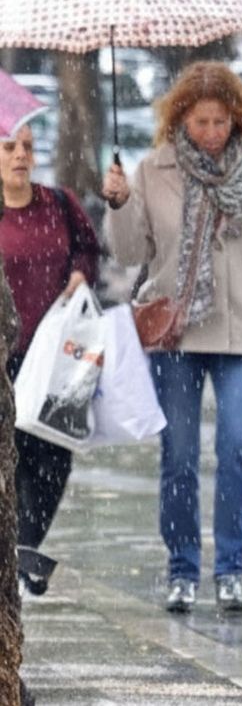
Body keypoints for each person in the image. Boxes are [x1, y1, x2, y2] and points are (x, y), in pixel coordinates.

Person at [102, 61, 242, 615]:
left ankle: (229, 570)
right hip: (174, 332)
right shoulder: (155, 171)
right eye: (200, 121)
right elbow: (130, 253)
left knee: (237, 447)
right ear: (181, 117)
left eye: (221, 121)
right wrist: (120, 202)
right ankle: (181, 569)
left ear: (238, 119)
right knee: (178, 455)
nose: (210, 132)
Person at [1, 120, 101, 595]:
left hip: (56, 356)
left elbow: (88, 249)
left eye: (27, 146)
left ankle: (25, 552)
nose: (20, 155)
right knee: (13, 460)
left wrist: (81, 274)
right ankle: (16, 558)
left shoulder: (58, 204)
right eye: (9, 147)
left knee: (54, 458)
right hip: (6, 358)